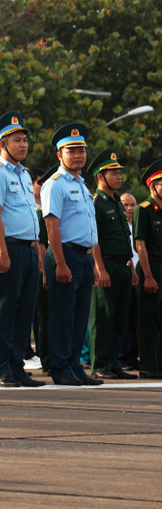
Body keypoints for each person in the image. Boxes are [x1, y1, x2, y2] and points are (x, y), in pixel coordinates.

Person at [0, 112, 44, 388]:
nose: (23, 145)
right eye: (17, 140)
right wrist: (2, 251)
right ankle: (0, 367)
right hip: (8, 248)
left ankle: (17, 365)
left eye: (25, 140)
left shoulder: (23, 175)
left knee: (24, 312)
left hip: (28, 249)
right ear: (2, 145)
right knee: (4, 310)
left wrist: (37, 256)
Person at [40, 123, 105, 386]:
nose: (78, 156)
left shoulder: (81, 184)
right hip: (64, 254)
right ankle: (59, 366)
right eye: (71, 151)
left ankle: (74, 364)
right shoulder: (55, 185)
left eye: (81, 151)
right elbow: (51, 225)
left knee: (79, 316)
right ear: (59, 155)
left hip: (84, 256)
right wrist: (60, 262)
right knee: (62, 315)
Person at [87, 149, 138, 380]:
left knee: (119, 317)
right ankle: (100, 364)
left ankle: (114, 362)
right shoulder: (96, 203)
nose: (119, 177)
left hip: (123, 265)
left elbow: (124, 239)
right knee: (102, 317)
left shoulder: (118, 203)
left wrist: (132, 268)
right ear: (100, 176)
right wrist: (99, 268)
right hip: (105, 264)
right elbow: (93, 237)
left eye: (119, 173)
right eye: (113, 173)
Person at [133, 159, 162, 379]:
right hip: (151, 265)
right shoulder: (144, 210)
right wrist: (149, 276)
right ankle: (149, 365)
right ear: (153, 186)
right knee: (149, 319)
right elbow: (140, 245)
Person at [120, 191, 141, 371]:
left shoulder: (138, 226)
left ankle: (133, 355)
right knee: (123, 317)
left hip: (139, 275)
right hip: (123, 273)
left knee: (136, 317)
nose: (129, 209)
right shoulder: (119, 225)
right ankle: (121, 356)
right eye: (125, 205)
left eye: (132, 205)